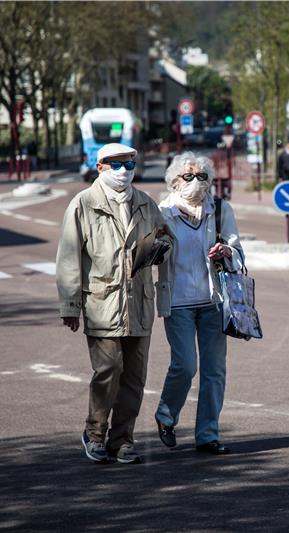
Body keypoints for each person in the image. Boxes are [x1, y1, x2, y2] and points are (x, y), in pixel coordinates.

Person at [56, 142, 169, 464]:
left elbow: (166, 240)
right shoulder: (83, 204)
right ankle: (95, 434)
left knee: (134, 377)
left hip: (139, 303)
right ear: (100, 167)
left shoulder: (146, 204)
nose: (124, 171)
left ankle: (123, 440)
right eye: (116, 165)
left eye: (129, 165)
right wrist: (70, 306)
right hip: (102, 303)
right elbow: (68, 257)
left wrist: (161, 247)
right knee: (108, 369)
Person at [154, 152, 244, 455]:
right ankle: (166, 415)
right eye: (188, 176)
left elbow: (238, 252)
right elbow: (148, 255)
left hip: (213, 302)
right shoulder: (161, 212)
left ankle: (207, 435)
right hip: (177, 302)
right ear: (175, 181)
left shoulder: (219, 210)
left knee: (214, 371)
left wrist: (227, 253)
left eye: (202, 176)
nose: (196, 182)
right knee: (185, 365)